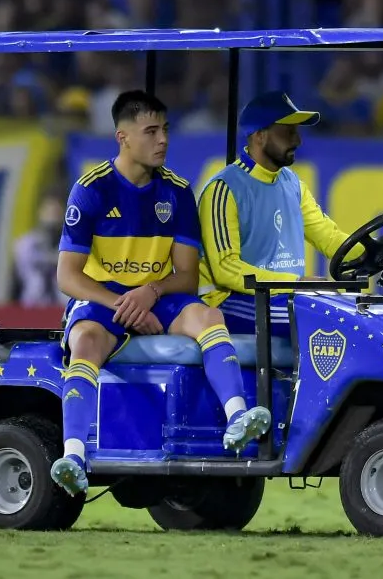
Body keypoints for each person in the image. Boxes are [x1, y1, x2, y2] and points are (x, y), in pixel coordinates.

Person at [51, 89, 271, 497]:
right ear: (123, 138)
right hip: (106, 297)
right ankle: (74, 455)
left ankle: (238, 417)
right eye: (151, 131)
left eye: (165, 129)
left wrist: (149, 293)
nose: (163, 139)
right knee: (85, 343)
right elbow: (68, 277)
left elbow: (187, 276)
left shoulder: (177, 192)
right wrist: (125, 303)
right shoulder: (91, 190)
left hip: (157, 294)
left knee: (209, 317)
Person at [197, 91, 365, 337]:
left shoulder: (292, 183)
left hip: (283, 295)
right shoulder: (223, 189)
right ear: (259, 136)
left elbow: (329, 238)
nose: (297, 140)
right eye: (288, 132)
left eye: (296, 132)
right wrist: (296, 284)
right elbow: (226, 269)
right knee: (328, 319)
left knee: (352, 313)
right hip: (228, 301)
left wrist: (376, 250)